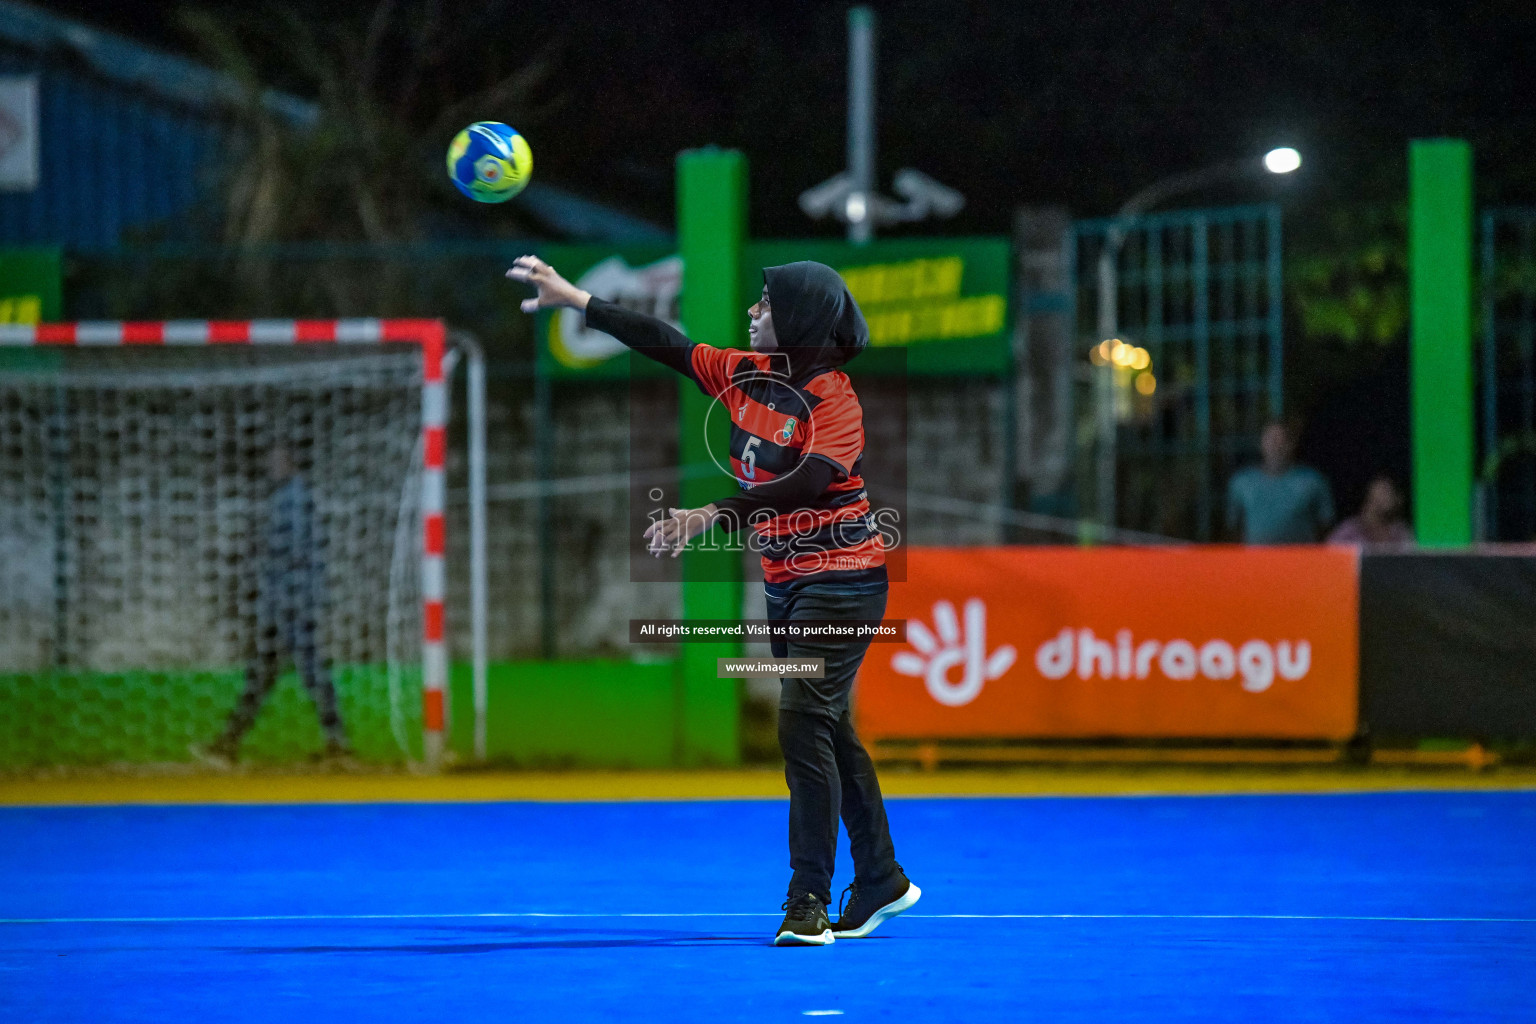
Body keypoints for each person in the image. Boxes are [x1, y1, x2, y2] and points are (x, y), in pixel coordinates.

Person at [509, 254, 919, 947]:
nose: (754, 311)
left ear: (798, 320)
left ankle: (807, 900)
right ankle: (880, 876)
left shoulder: (832, 398)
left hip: (844, 580)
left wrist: (710, 513)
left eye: (766, 303)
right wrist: (577, 298)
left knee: (799, 723)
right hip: (787, 582)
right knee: (826, 727)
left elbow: (809, 482)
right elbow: (665, 342)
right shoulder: (743, 375)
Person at [200, 444, 349, 765]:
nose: (271, 464)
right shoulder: (287, 497)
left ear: (292, 461)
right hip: (286, 603)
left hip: (292, 604)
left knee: (304, 671)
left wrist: (258, 557)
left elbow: (294, 553)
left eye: (278, 458)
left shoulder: (293, 498)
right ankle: (229, 742)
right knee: (268, 673)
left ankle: (336, 743)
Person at [1225, 420, 1335, 543]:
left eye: (1281, 440)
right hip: (1255, 559)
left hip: (1300, 559)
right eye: (1270, 439)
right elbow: (1233, 526)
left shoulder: (1313, 480)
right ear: (1261, 443)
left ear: (1291, 444)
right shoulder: (1241, 481)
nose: (1276, 445)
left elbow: (1326, 525)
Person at [1327, 475, 1414, 547]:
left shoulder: (1399, 531)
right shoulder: (1348, 531)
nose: (1385, 497)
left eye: (1388, 492)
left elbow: (1411, 559)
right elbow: (1328, 554)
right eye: (1382, 492)